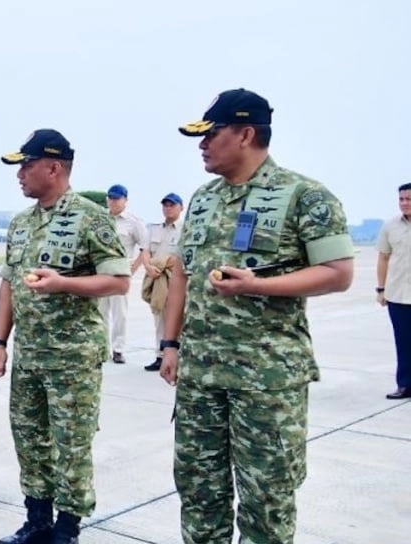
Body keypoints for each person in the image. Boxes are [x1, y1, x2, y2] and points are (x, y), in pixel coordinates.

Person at [161, 88, 354, 543]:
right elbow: (182, 277)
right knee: (197, 489)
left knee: (266, 496)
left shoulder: (303, 195)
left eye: (211, 134)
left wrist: (258, 286)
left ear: (246, 133)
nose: (202, 144)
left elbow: (339, 273)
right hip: (201, 375)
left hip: (266, 381)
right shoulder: (203, 198)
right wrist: (170, 345)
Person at [0, 129, 130, 544]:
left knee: (71, 444)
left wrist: (64, 283)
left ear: (54, 167)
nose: (20, 174)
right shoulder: (20, 224)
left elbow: (118, 280)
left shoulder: (91, 217)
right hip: (29, 353)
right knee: (29, 438)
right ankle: (36, 520)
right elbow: (8, 285)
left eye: (27, 165)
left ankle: (67, 529)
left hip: (72, 356)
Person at [98, 184, 149, 364]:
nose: (113, 201)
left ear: (125, 200)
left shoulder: (133, 222)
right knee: (100, 312)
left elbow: (145, 247)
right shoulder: (100, 218)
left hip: (120, 271)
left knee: (120, 314)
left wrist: (132, 270)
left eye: (117, 198)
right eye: (111, 198)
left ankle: (118, 349)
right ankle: (102, 349)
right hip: (101, 271)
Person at [141, 193, 184, 372]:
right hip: (157, 278)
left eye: (172, 205)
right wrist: (149, 267)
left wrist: (163, 263)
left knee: (177, 317)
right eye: (165, 205)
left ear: (181, 207)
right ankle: (160, 355)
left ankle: (178, 354)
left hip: (176, 278)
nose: (168, 208)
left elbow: (179, 257)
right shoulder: (153, 229)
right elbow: (145, 251)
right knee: (159, 317)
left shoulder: (185, 229)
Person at [376, 182, 411, 399]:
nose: (404, 203)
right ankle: (405, 385)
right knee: (403, 342)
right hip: (398, 294)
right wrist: (381, 289)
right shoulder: (390, 226)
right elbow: (383, 258)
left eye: (409, 199)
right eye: (401, 199)